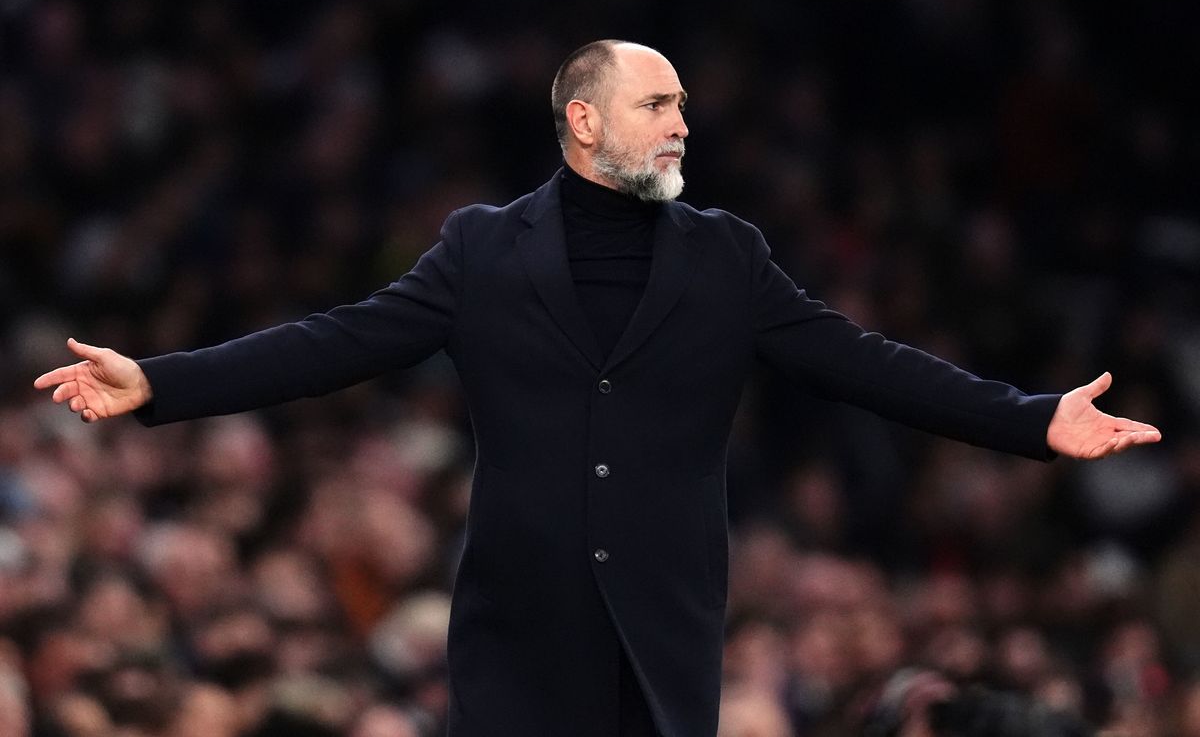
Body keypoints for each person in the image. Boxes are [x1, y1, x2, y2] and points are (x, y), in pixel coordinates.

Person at [34, 40, 1161, 737]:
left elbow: (864, 362)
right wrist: (161, 384)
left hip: (665, 629)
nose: (683, 122)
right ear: (584, 121)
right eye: (659, 104)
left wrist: (1030, 419)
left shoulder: (728, 255)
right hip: (519, 633)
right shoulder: (480, 248)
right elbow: (340, 340)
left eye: (682, 106)